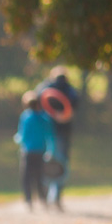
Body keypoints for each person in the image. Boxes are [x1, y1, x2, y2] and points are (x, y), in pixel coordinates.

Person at [36, 66, 80, 211]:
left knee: (43, 164)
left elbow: (36, 99)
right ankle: (57, 198)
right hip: (63, 132)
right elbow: (75, 104)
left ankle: (44, 198)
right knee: (62, 165)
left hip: (45, 132)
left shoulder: (44, 87)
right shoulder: (69, 89)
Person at [14, 90, 55, 211]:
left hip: (28, 151)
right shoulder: (45, 118)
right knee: (40, 176)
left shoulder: (26, 117)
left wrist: (17, 140)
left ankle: (28, 201)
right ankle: (43, 199)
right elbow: (50, 136)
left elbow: (22, 136)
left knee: (26, 177)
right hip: (41, 151)